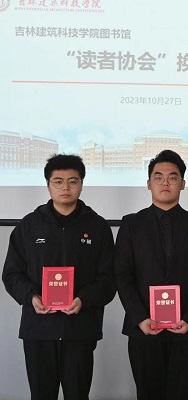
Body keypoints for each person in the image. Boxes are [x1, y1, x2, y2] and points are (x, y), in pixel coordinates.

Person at [2, 154, 115, 400]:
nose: (66, 187)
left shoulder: (98, 227)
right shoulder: (29, 226)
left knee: (77, 395)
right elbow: (11, 274)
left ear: (82, 184)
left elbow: (109, 279)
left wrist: (83, 299)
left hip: (80, 329)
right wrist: (32, 297)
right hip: (38, 329)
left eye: (73, 181)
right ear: (48, 185)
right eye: (58, 181)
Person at [114, 150, 188, 400]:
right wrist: (140, 318)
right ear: (149, 184)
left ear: (183, 183)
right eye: (158, 177)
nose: (165, 182)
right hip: (144, 328)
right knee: (147, 392)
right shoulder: (131, 224)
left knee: (181, 392)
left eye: (173, 177)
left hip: (184, 327)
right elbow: (122, 276)